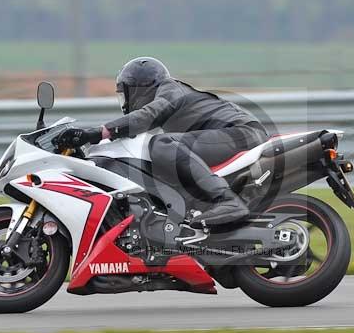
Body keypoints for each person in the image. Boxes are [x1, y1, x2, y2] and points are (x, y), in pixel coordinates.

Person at [54, 57, 269, 227]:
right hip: (232, 134)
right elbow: (136, 127)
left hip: (241, 133)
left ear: (140, 88)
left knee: (162, 144)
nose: (125, 101)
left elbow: (146, 116)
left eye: (125, 93)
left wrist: (98, 132)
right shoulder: (169, 98)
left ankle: (227, 201)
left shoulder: (170, 88)